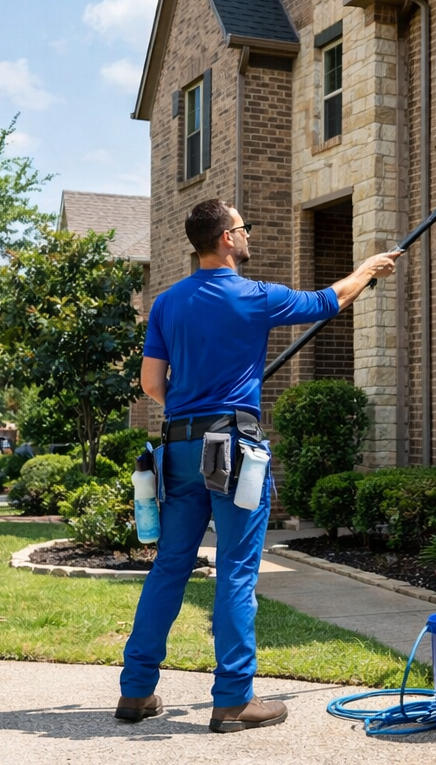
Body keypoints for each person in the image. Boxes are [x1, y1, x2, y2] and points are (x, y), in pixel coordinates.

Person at [116, 197, 400, 732]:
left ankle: (135, 694)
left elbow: (152, 385)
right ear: (226, 238)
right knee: (236, 572)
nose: (249, 235)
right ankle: (233, 700)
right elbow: (327, 301)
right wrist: (368, 268)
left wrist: (193, 402)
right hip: (233, 449)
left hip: (176, 449)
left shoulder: (167, 303)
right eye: (244, 228)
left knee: (170, 566)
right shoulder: (254, 296)